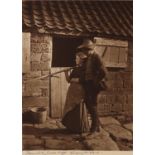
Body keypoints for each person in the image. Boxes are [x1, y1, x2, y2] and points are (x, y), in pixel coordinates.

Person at [77, 39, 108, 134]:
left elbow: (104, 72)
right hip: (88, 84)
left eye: (85, 50)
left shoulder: (96, 57)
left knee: (92, 105)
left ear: (89, 49)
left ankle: (94, 128)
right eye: (83, 50)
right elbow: (86, 70)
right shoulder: (89, 57)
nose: (84, 52)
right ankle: (97, 125)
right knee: (89, 103)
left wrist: (95, 81)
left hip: (93, 85)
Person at [61, 52, 90, 134]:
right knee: (70, 109)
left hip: (79, 92)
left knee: (77, 108)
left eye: (76, 58)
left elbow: (83, 80)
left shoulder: (85, 69)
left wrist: (75, 80)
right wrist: (66, 73)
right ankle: (71, 127)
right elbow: (69, 80)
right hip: (72, 91)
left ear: (81, 60)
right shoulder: (75, 68)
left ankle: (79, 128)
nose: (75, 59)